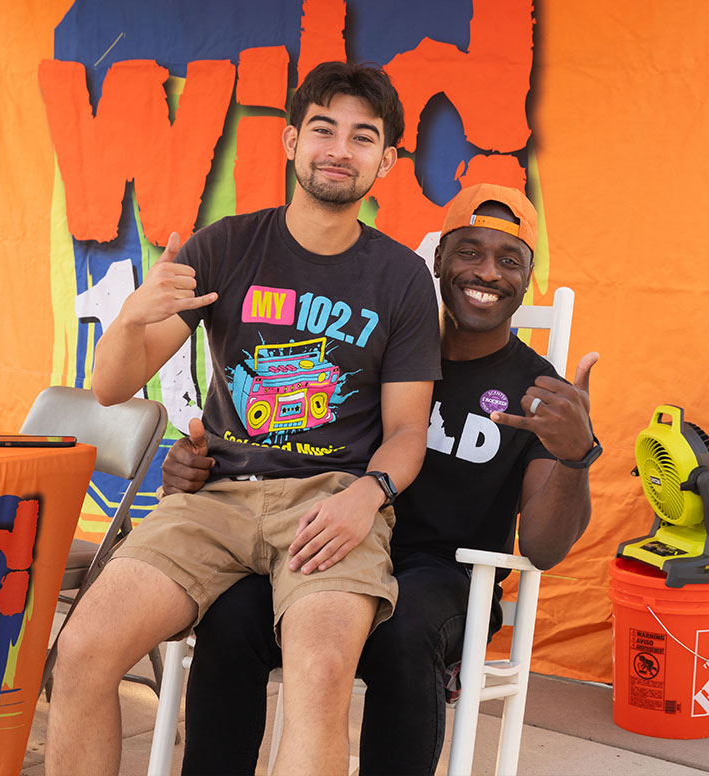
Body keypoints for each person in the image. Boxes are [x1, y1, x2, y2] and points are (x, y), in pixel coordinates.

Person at [44, 61, 442, 776]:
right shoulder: (225, 247)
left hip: (330, 505)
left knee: (318, 682)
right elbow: (110, 387)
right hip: (216, 500)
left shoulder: (402, 278)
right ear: (290, 140)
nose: (338, 150)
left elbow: (408, 430)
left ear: (385, 160)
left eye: (362, 137)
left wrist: (368, 496)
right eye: (323, 129)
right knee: (81, 650)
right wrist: (134, 315)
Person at [166, 183, 599, 775]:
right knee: (233, 614)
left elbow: (545, 549)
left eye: (510, 260)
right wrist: (200, 463)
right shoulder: (369, 348)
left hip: (443, 577)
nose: (488, 272)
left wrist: (577, 456)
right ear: (438, 261)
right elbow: (277, 441)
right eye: (469, 251)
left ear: (527, 280)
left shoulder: (535, 391)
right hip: (323, 545)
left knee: (404, 632)